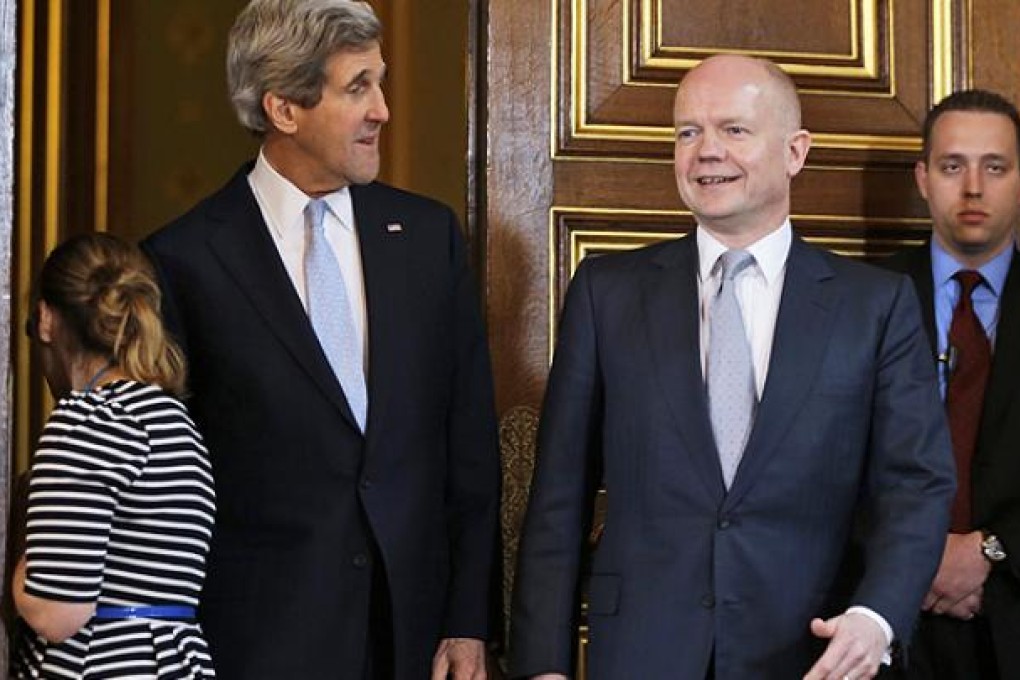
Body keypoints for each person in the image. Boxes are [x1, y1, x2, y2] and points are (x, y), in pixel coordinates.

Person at [509, 54, 956, 680]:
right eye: (688, 132)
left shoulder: (874, 307)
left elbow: (916, 484)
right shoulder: (606, 293)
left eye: (733, 130)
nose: (705, 151)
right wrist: (542, 664)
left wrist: (876, 616)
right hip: (642, 652)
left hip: (811, 653)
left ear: (796, 152)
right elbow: (559, 493)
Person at [140, 1, 501, 678]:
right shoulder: (181, 260)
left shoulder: (427, 238)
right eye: (357, 86)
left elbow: (468, 448)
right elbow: (167, 483)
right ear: (283, 109)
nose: (383, 110)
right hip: (258, 641)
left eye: (382, 82)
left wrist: (467, 621)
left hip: (414, 640)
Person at [11, 233, 216, 678]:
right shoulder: (173, 418)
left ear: (46, 319)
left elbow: (55, 615)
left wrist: (21, 565)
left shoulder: (87, 419)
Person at [882, 89, 1020, 680]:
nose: (973, 188)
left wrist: (989, 550)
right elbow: (820, 458)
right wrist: (918, 559)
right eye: (952, 166)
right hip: (883, 620)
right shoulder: (861, 300)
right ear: (922, 177)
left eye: (995, 167)